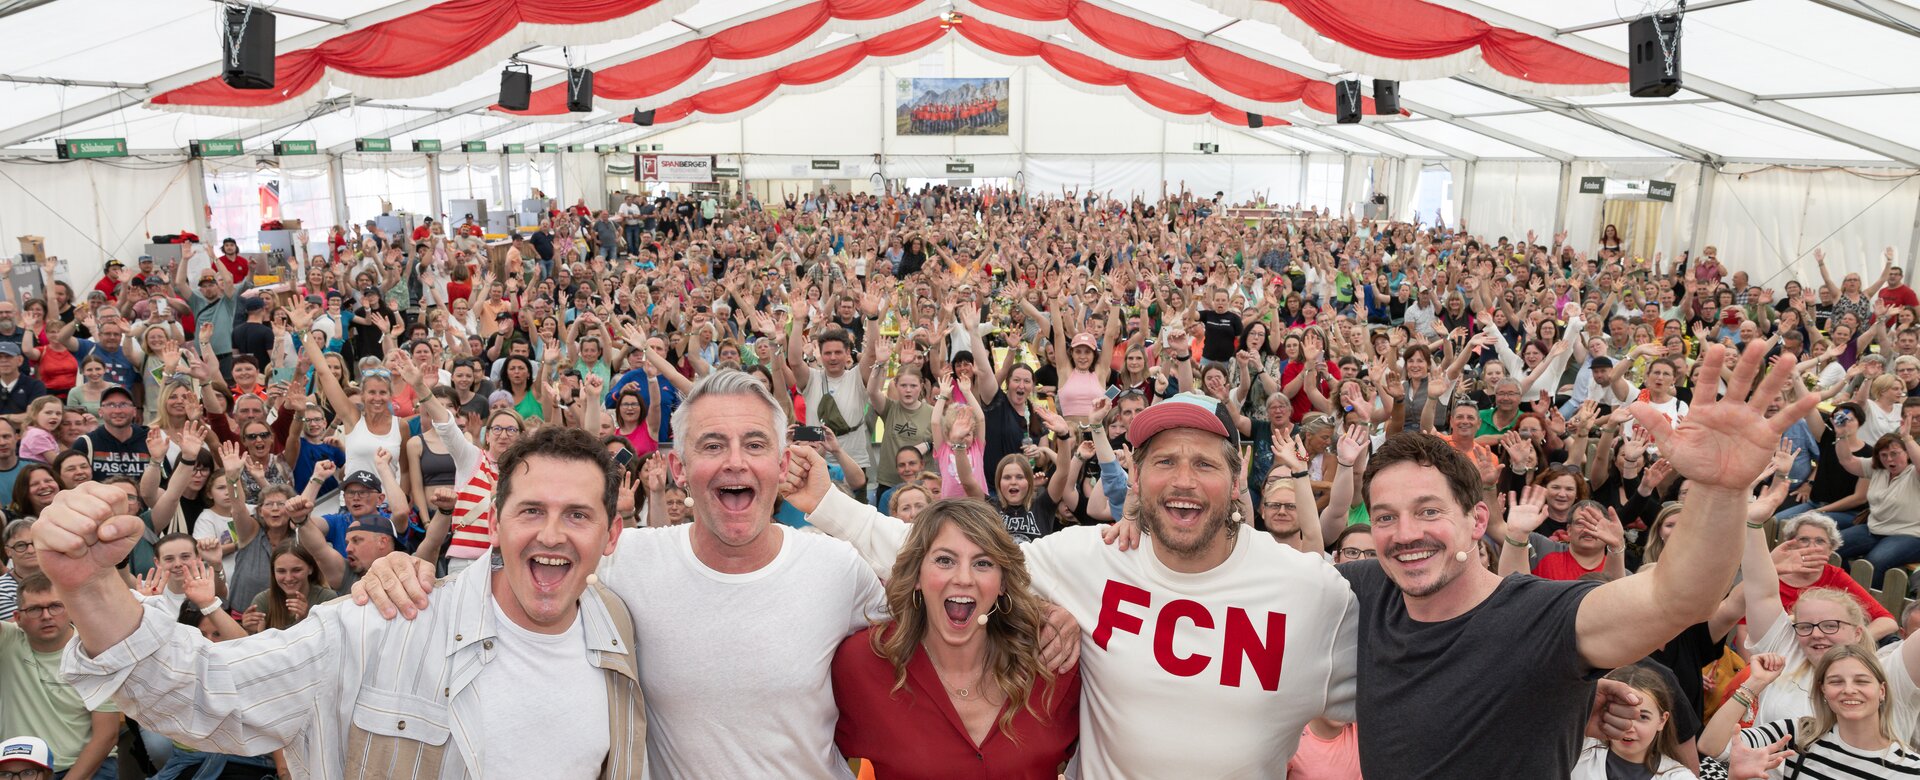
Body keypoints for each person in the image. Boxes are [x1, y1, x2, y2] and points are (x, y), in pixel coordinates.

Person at [352, 369, 1076, 779]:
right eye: (713, 445)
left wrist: (1042, 612)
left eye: (754, 443)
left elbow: (945, 580)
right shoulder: (624, 562)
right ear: (677, 465)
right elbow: (524, 573)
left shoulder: (838, 571)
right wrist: (402, 574)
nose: (735, 461)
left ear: (781, 462)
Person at [790, 391, 1359, 777]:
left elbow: (1403, 700)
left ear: (1238, 481)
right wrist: (825, 502)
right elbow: (957, 560)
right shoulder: (1091, 558)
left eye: (1205, 465)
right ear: (1134, 476)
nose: (1182, 481)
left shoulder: (1312, 593)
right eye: (1163, 462)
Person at [37, 427, 650, 779]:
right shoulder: (382, 620)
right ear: (491, 524)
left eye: (578, 515)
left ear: (612, 536)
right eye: (531, 512)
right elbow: (200, 691)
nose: (551, 535)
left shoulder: (618, 631)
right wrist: (87, 587)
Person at [831, 499, 1079, 778]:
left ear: (1003, 583)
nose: (964, 578)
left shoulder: (1053, 659)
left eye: (983, 563)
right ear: (916, 575)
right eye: (945, 560)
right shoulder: (862, 663)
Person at [0, 574, 122, 779]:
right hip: (19, 769)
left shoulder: (98, 655)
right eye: (35, 609)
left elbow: (106, 736)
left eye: (56, 606)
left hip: (86, 767)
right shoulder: (7, 640)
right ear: (17, 618)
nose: (46, 615)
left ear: (71, 610)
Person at [1729, 646, 1920, 777]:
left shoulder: (1912, 770)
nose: (1849, 689)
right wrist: (1755, 683)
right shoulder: (1800, 735)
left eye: (1862, 681)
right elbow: (1712, 746)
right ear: (1823, 691)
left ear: (1882, 691)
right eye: (1836, 681)